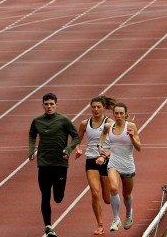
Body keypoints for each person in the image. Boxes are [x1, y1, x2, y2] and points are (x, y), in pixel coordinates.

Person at [28, 92, 80, 237]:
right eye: (46, 104)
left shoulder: (63, 120)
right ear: (43, 105)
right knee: (45, 196)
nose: (49, 107)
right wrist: (32, 150)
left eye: (52, 104)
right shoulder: (37, 121)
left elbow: (76, 136)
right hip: (43, 163)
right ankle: (48, 226)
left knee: (58, 197)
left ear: (56, 104)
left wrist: (68, 149)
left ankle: (58, 195)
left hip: (60, 164)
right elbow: (32, 135)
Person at [74, 95, 116, 235]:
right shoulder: (84, 123)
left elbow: (116, 145)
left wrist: (104, 156)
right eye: (93, 107)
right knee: (95, 193)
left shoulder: (109, 123)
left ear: (104, 108)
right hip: (91, 160)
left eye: (99, 107)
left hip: (107, 161)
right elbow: (77, 139)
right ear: (90, 108)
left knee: (107, 198)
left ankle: (117, 213)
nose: (96, 109)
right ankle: (100, 224)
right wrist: (78, 148)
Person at [98, 102, 141, 232]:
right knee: (113, 187)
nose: (118, 116)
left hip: (127, 164)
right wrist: (100, 146)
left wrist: (132, 137)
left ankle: (128, 215)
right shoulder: (108, 126)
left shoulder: (131, 126)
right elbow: (103, 135)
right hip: (114, 162)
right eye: (116, 113)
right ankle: (116, 219)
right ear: (113, 114)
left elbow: (139, 148)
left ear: (126, 114)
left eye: (121, 113)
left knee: (126, 195)